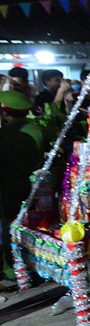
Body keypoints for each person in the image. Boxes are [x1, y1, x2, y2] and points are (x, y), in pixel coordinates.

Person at [0, 91, 44, 284]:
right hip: (37, 186)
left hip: (9, 187)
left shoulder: (6, 135)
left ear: (5, 112)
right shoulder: (39, 129)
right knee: (35, 227)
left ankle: (14, 270)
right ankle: (38, 267)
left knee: (10, 228)